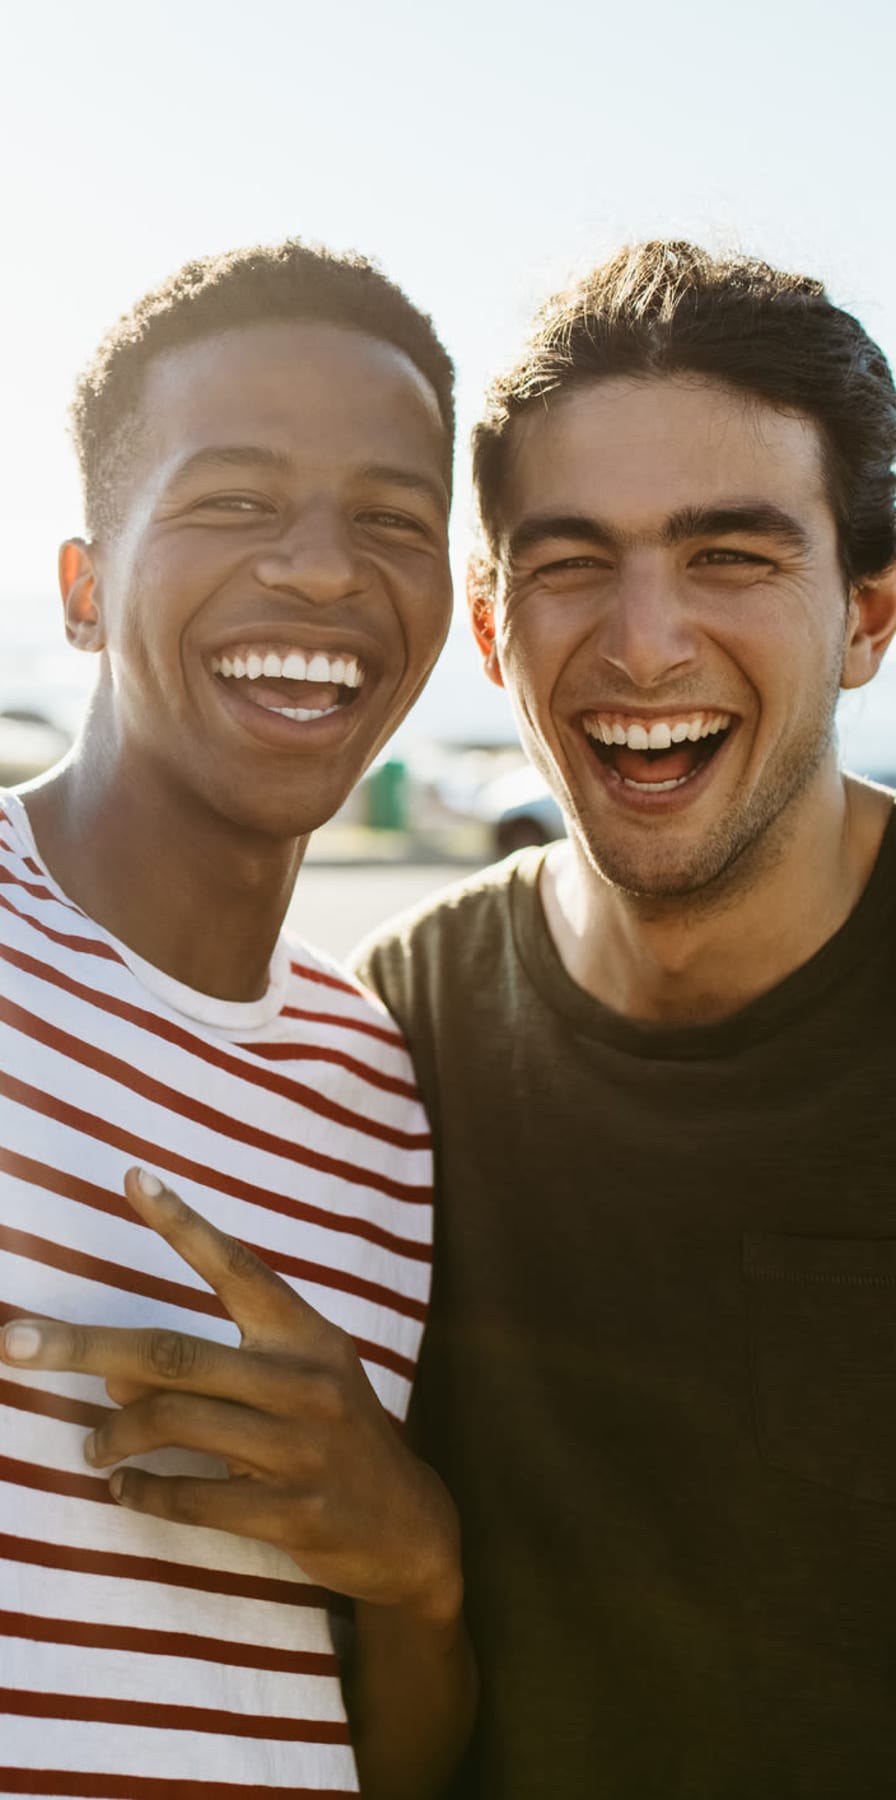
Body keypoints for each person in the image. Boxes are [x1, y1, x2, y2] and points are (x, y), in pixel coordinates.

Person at [353, 241, 896, 1798]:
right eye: (573, 560)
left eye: (729, 555)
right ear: (489, 628)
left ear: (867, 616)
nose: (644, 643)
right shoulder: (387, 1039)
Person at [0, 240, 476, 1799]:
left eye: (392, 522)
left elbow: (377, 1752)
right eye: (237, 501)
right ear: (82, 590)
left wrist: (414, 1561)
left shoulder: (385, 1094)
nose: (327, 572)